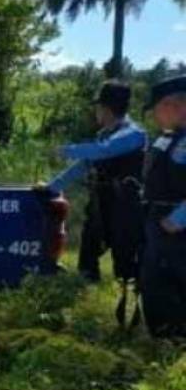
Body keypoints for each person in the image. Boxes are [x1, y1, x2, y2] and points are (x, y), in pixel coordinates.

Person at [48, 81, 147, 284]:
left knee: (125, 260)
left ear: (106, 109)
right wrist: (51, 187)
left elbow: (104, 150)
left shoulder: (134, 134)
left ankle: (129, 301)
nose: (96, 112)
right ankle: (86, 291)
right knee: (88, 253)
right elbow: (83, 165)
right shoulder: (103, 135)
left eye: (98, 108)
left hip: (125, 206)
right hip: (100, 203)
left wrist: (66, 150)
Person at [140, 76, 186, 339]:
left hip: (177, 227)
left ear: (172, 105)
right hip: (158, 223)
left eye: (155, 109)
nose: (154, 117)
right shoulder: (167, 138)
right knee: (156, 284)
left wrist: (179, 219)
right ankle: (163, 342)